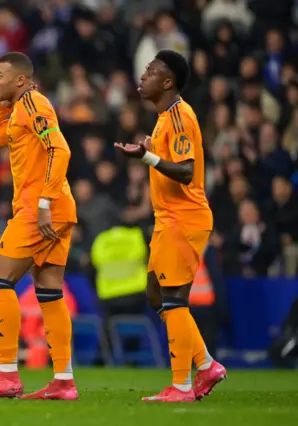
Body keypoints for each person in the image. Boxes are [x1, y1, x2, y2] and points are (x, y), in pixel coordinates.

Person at [115, 50, 227, 403]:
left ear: (167, 82)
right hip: (167, 219)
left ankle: (181, 386)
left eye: (150, 71)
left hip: (185, 217)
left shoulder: (179, 116)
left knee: (174, 299)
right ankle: (206, 364)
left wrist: (146, 156)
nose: (143, 75)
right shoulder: (164, 118)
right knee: (155, 294)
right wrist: (151, 149)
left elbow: (186, 171)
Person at [0, 52, 78, 400]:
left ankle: (8, 374)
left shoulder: (34, 104)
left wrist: (43, 203)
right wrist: (1, 104)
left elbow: (61, 151)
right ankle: (63, 380)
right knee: (49, 293)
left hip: (38, 210)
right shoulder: (19, 107)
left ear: (20, 79)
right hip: (56, 209)